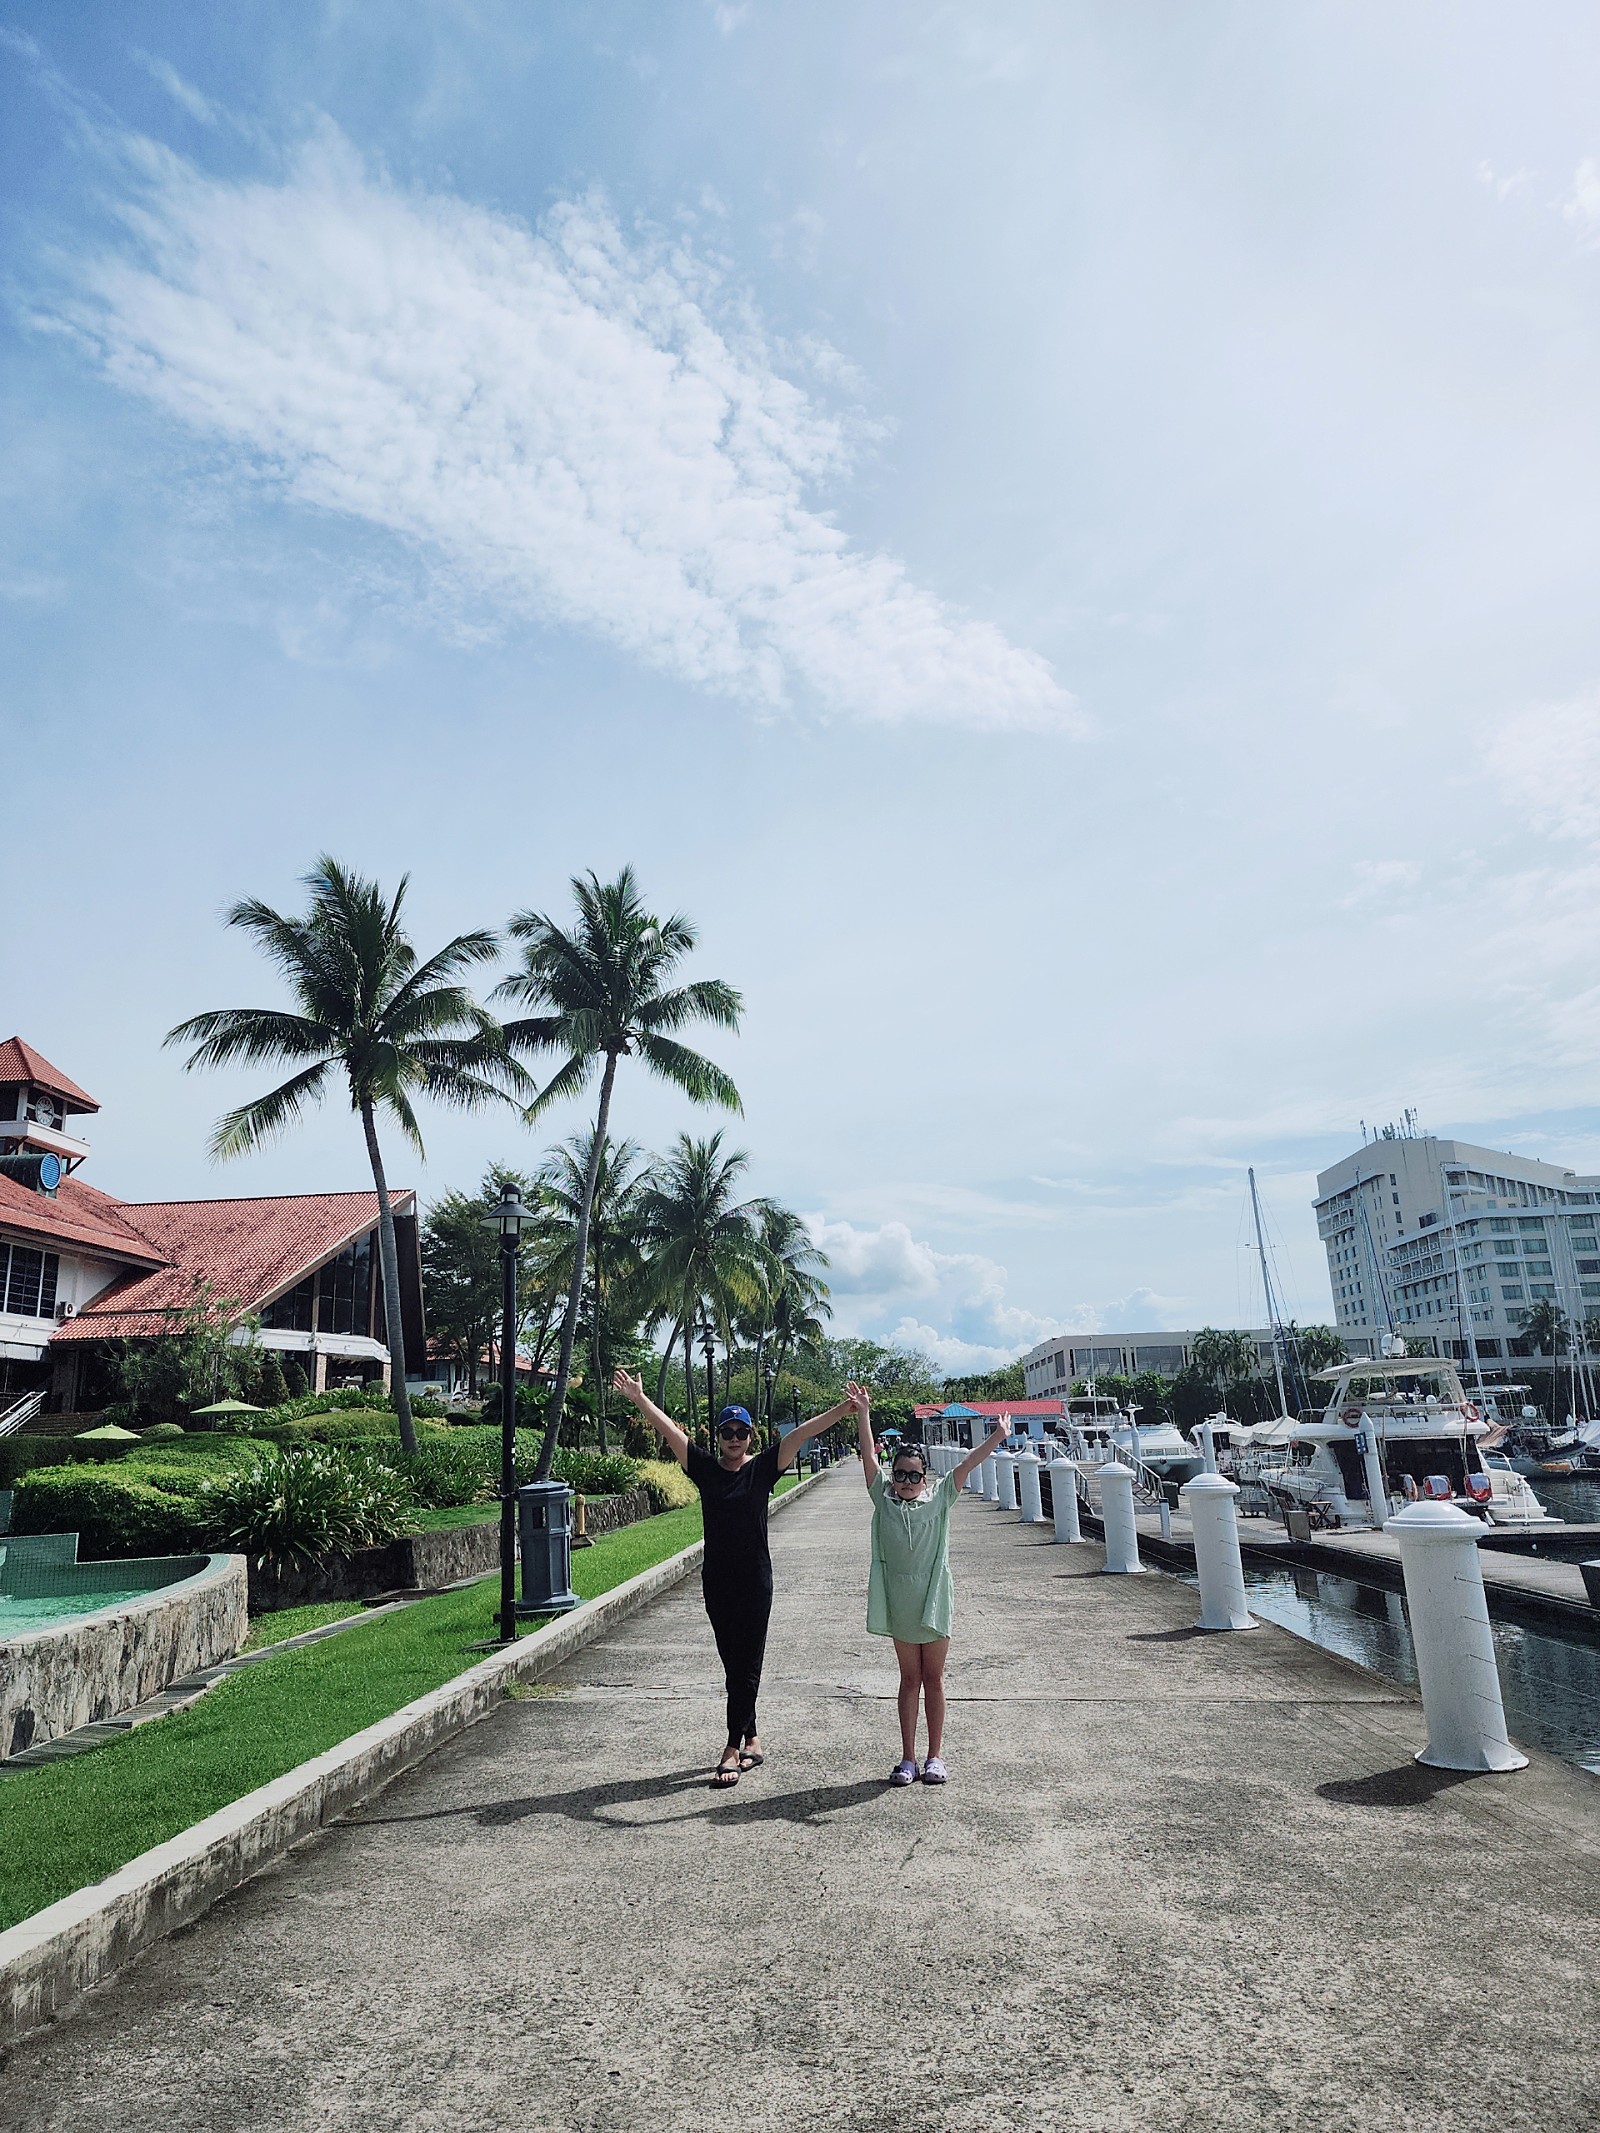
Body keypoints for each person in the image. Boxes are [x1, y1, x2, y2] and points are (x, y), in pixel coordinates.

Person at [613, 1369, 860, 1787]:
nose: (733, 1438)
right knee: (733, 1665)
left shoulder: (762, 1469)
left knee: (748, 1664)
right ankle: (753, 1739)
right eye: (727, 1432)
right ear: (718, 1437)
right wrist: (639, 1398)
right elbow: (670, 1431)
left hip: (755, 1582)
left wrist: (844, 1409)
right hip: (718, 1583)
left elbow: (800, 1433)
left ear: (751, 1436)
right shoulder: (706, 1470)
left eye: (741, 1432)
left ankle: (731, 1747)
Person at [851, 1388, 1011, 1786]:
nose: (906, 1481)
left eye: (914, 1475)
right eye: (900, 1474)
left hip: (935, 1595)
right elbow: (868, 1456)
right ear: (892, 1476)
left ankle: (934, 1756)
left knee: (934, 1678)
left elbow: (968, 1463)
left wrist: (997, 1436)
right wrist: (864, 1414)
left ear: (925, 1478)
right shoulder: (883, 1500)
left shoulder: (939, 1499)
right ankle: (907, 1758)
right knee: (909, 1679)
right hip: (901, 1600)